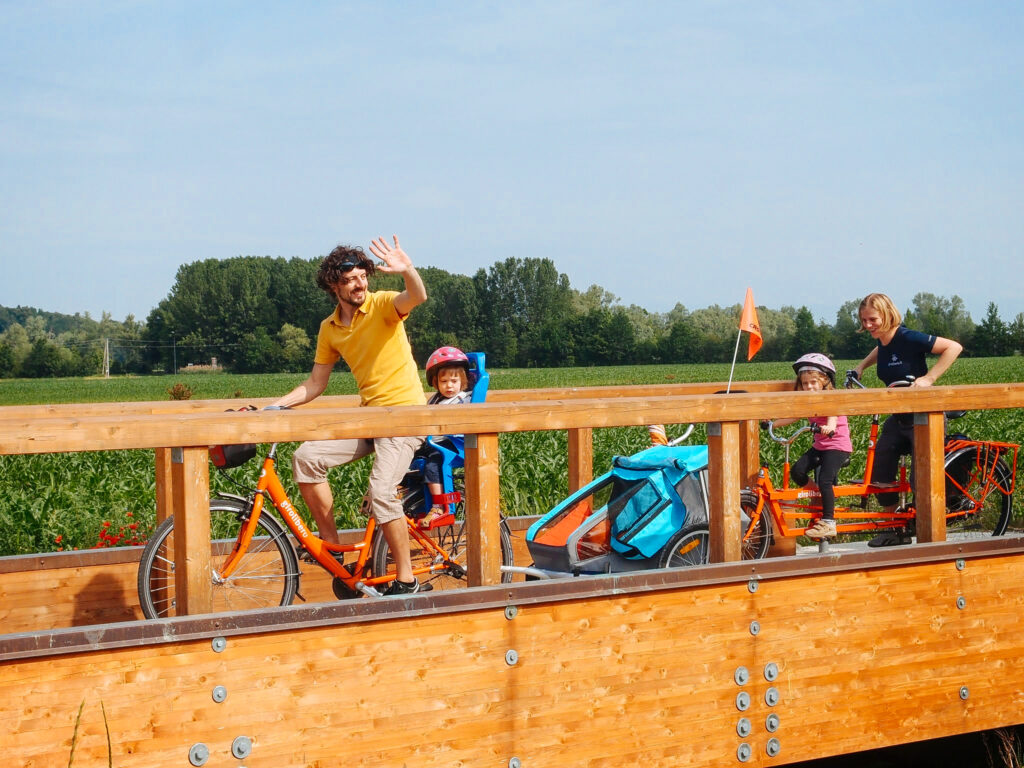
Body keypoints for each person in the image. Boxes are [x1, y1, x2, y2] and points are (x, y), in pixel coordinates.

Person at [270, 234, 431, 595]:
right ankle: (335, 555)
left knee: (381, 490)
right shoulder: (330, 328)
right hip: (370, 418)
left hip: (405, 417)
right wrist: (276, 406)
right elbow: (315, 383)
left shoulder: (384, 306)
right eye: (350, 279)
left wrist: (408, 270)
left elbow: (416, 296)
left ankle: (407, 579)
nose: (360, 284)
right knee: (306, 458)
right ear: (333, 285)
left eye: (363, 277)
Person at [850, 292, 963, 547]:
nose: (867, 325)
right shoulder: (884, 339)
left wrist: (929, 379)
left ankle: (928, 533)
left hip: (923, 417)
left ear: (887, 315)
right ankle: (894, 529)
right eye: (864, 320)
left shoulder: (907, 336)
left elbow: (953, 347)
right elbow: (881, 350)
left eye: (872, 319)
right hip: (900, 417)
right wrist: (860, 367)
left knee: (921, 478)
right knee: (880, 469)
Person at [770, 354, 852, 540]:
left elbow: (833, 415)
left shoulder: (831, 398)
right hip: (821, 446)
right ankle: (819, 495)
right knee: (797, 471)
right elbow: (795, 416)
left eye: (813, 382)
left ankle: (829, 522)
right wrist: (772, 424)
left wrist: (829, 427)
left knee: (826, 480)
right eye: (805, 383)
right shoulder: (808, 401)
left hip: (837, 447)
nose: (809, 387)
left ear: (825, 381)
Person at [418, 346, 474, 530]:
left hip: (455, 444)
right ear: (435, 382)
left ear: (463, 381)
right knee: (412, 456)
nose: (449, 385)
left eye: (454, 380)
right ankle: (417, 502)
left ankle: (438, 507)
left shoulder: (464, 400)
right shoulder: (435, 399)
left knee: (433, 463)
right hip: (437, 441)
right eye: (444, 381)